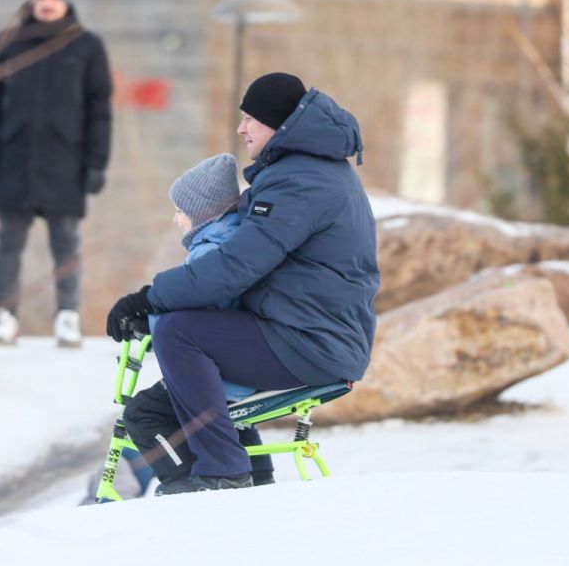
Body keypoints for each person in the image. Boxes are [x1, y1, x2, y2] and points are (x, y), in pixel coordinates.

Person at [106, 72, 379, 496]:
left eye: (250, 118)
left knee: (180, 333)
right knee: (181, 354)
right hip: (311, 331)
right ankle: (253, 483)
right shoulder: (309, 172)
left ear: (280, 124)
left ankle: (222, 473)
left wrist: (148, 299)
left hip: (312, 339)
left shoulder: (300, 182)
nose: (241, 128)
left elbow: (235, 266)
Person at [81, 153, 274, 503]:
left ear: (202, 212)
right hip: (235, 363)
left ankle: (188, 484)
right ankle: (258, 481)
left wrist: (149, 322)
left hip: (217, 367)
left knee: (143, 414)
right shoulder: (229, 242)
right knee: (229, 419)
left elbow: (201, 312)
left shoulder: (210, 252)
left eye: (181, 209)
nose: (176, 218)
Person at [0, 0, 113, 348]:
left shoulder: (87, 46)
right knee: (8, 241)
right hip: (13, 160)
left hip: (65, 162)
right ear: (32, 0)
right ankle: (3, 317)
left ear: (65, 0)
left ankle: (67, 316)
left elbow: (99, 110)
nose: (47, 3)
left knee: (65, 241)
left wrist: (97, 163)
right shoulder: (7, 43)